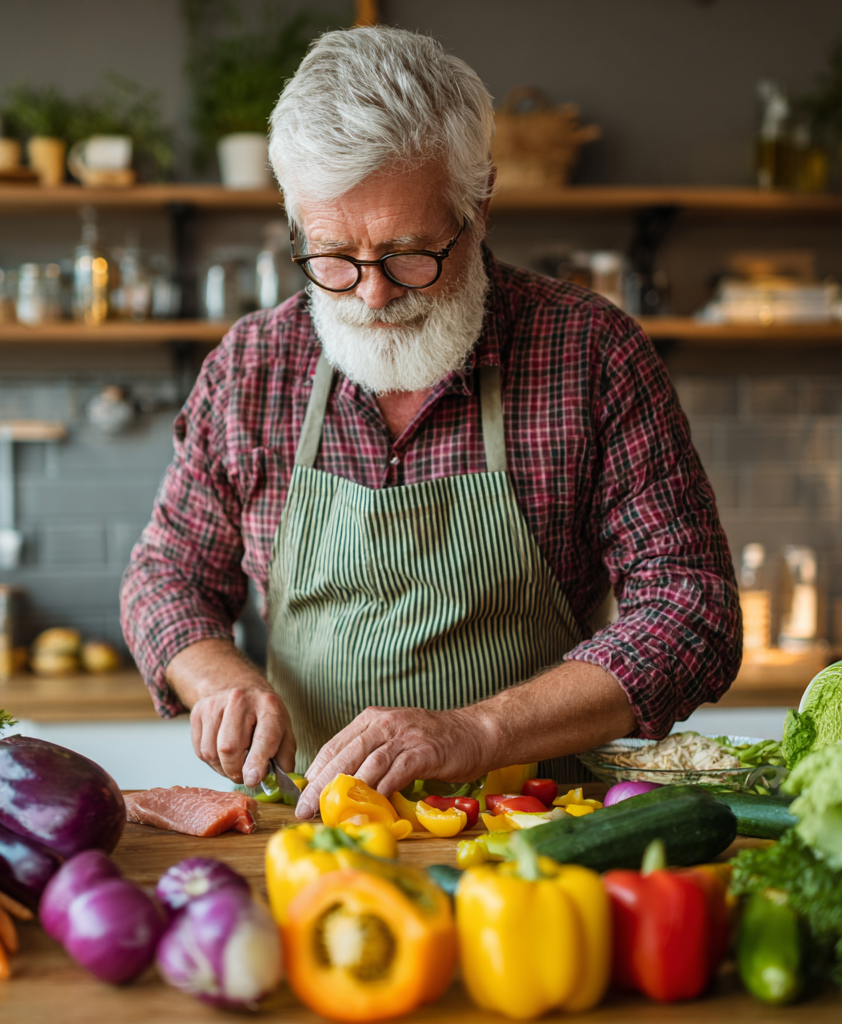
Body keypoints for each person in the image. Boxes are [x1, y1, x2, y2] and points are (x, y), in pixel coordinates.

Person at [120, 26, 741, 820]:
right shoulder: (254, 366)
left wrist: (478, 731)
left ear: (478, 207)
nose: (371, 296)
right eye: (334, 257)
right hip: (313, 832)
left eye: (411, 255)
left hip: (537, 834)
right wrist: (221, 679)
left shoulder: (590, 353)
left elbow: (693, 608)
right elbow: (165, 574)